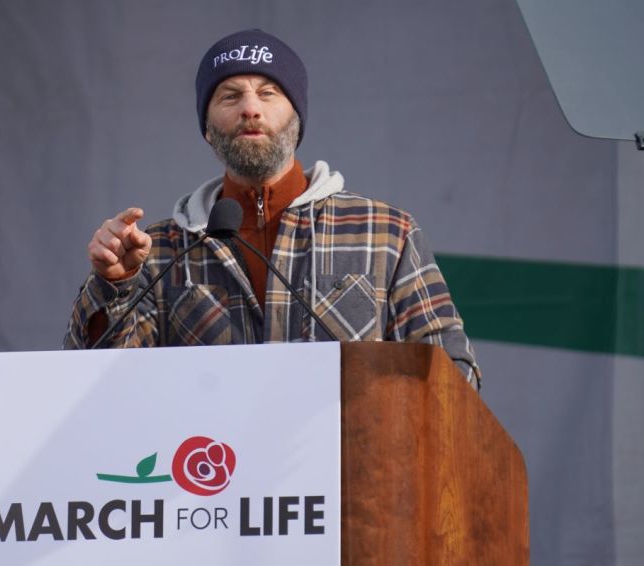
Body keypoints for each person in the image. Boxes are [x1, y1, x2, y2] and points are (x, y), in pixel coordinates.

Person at [63, 29, 481, 389]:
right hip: (212, 475)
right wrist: (114, 284)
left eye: (268, 93)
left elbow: (452, 374)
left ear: (296, 119)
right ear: (207, 130)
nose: (250, 108)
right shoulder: (158, 250)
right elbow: (100, 384)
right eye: (229, 96)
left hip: (355, 476)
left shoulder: (386, 233)